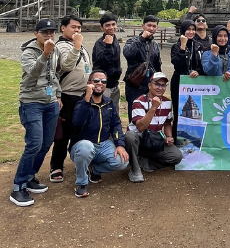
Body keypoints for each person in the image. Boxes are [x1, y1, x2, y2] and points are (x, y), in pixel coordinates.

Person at [10, 19, 62, 207]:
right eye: (44, 32)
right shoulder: (28, 52)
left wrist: (58, 95)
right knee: (34, 143)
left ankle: (30, 176)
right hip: (31, 102)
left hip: (50, 102)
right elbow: (33, 73)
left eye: (51, 32)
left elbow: (54, 74)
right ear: (36, 34)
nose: (49, 35)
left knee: (46, 143)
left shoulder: (55, 49)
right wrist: (45, 54)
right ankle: (18, 186)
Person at [69, 70, 129, 198]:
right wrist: (87, 99)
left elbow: (116, 125)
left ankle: (93, 169)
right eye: (96, 80)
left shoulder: (109, 103)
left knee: (122, 162)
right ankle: (81, 183)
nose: (100, 83)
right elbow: (77, 123)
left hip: (103, 144)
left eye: (103, 81)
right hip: (82, 146)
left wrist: (120, 144)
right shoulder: (81, 103)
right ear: (89, 83)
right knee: (86, 147)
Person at [49, 14, 91, 184]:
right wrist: (77, 44)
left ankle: (80, 161)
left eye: (79, 28)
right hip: (67, 95)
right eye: (73, 27)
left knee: (81, 130)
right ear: (63, 28)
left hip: (82, 95)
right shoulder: (60, 46)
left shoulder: (79, 46)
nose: (77, 30)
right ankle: (56, 165)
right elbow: (67, 65)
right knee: (63, 133)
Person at [125, 72, 183, 182]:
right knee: (130, 136)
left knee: (176, 156)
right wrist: (153, 108)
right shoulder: (139, 101)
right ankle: (135, 170)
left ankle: (147, 163)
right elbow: (141, 127)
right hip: (139, 139)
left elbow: (167, 123)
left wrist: (169, 136)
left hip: (154, 139)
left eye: (163, 85)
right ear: (149, 85)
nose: (160, 88)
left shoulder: (167, 102)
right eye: (157, 84)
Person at [170, 19, 204, 143]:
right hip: (179, 81)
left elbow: (203, 64)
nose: (191, 32)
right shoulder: (176, 46)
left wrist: (198, 71)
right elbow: (177, 64)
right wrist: (183, 47)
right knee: (179, 111)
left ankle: (195, 140)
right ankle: (177, 140)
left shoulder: (199, 46)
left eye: (193, 29)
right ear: (183, 31)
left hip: (194, 83)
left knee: (195, 113)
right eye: (188, 29)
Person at [123, 15, 162, 122]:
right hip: (135, 85)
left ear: (157, 28)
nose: (151, 28)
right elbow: (128, 54)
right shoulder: (132, 41)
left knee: (149, 115)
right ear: (143, 26)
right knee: (134, 116)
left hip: (150, 86)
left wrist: (159, 83)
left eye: (154, 26)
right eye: (149, 25)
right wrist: (141, 39)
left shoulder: (155, 45)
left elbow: (157, 66)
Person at [92, 13, 122, 109]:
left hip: (115, 83)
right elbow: (103, 63)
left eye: (113, 24)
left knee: (114, 111)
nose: (111, 27)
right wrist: (108, 46)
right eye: (107, 25)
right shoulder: (100, 43)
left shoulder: (115, 40)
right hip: (103, 85)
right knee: (102, 111)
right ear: (102, 28)